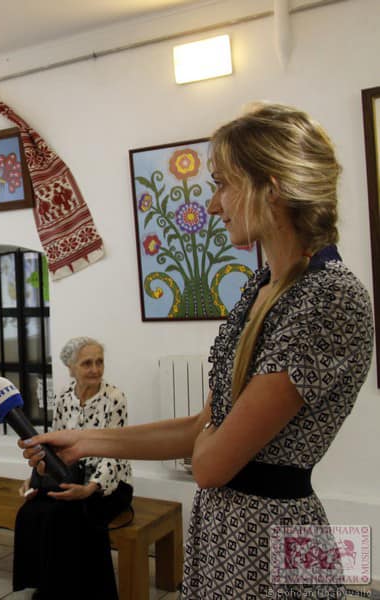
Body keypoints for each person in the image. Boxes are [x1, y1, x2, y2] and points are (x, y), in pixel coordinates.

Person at [20, 103, 374, 599]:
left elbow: (209, 464)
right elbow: (198, 430)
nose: (213, 205)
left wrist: (208, 437)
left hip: (274, 536)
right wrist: (81, 440)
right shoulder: (261, 286)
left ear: (269, 190)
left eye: (222, 185)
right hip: (226, 529)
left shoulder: (329, 298)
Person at [12, 337, 132, 599]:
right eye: (87, 363)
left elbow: (116, 451)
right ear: (71, 368)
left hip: (109, 483)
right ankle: (47, 585)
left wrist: (90, 488)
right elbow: (54, 446)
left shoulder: (114, 398)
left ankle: (83, 593)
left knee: (72, 515)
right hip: (69, 476)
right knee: (30, 513)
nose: (95, 369)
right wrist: (35, 479)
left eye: (99, 362)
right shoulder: (64, 397)